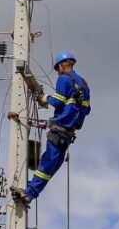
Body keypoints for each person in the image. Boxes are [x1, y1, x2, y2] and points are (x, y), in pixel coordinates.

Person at [11, 51, 91, 204]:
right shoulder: (84, 84)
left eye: (57, 69)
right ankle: (31, 191)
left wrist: (44, 98)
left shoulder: (63, 79)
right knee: (51, 167)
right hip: (68, 134)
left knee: (47, 164)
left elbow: (58, 101)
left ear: (61, 65)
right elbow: (87, 109)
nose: (58, 72)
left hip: (59, 129)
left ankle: (29, 193)